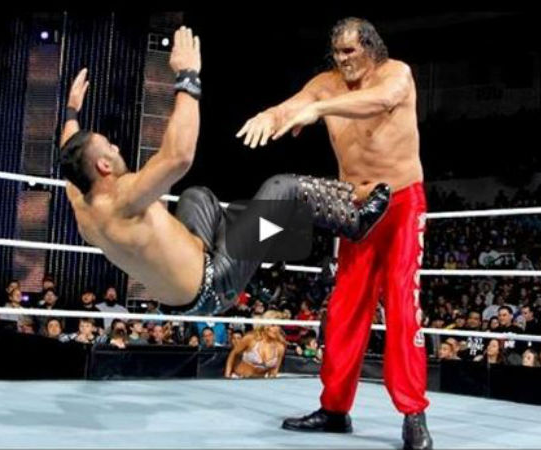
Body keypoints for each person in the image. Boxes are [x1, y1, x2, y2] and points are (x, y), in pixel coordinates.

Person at [60, 27, 389, 317]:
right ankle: (354, 221)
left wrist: (72, 110)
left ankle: (252, 235)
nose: (116, 147)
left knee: (197, 196)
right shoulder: (125, 198)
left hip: (181, 291)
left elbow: (70, 152)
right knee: (283, 190)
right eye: (109, 147)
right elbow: (178, 157)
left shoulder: (81, 201)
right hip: (215, 287)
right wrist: (188, 75)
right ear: (103, 167)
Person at [237, 17, 431, 448]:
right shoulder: (325, 84)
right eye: (337, 52)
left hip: (401, 203)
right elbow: (293, 106)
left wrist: (321, 110)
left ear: (370, 47)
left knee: (402, 306)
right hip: (354, 209)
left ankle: (413, 413)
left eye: (350, 51)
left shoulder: (396, 74)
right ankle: (335, 409)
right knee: (344, 309)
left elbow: (381, 100)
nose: (343, 60)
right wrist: (271, 115)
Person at [224, 310, 286, 378]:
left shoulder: (279, 347)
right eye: (273, 325)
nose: (276, 329)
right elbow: (233, 354)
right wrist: (227, 375)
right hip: (239, 377)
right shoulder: (251, 338)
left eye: (279, 325)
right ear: (265, 325)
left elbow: (274, 371)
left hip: (259, 381)